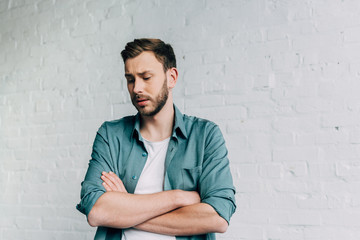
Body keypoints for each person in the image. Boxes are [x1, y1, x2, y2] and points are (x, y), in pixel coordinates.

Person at [76, 38, 236, 240]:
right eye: (131, 79)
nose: (136, 88)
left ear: (172, 77)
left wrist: (124, 208)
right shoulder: (110, 135)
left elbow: (218, 217)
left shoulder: (205, 136)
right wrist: (178, 198)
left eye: (146, 77)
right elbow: (97, 212)